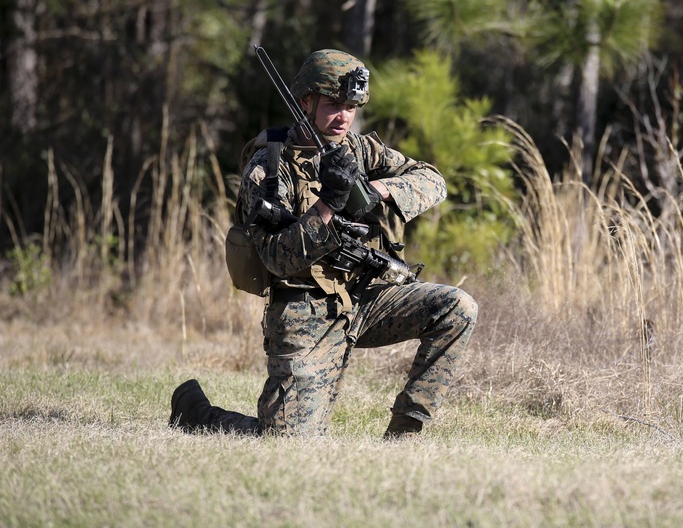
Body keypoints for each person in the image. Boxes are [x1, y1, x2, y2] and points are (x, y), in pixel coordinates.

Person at [168, 49, 478, 439]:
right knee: (286, 441)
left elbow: (433, 180)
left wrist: (380, 189)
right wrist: (329, 203)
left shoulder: (360, 150)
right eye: (333, 104)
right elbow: (278, 260)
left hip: (367, 298)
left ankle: (406, 432)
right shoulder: (268, 169)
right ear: (305, 102)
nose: (343, 116)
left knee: (458, 307)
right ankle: (196, 414)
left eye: (351, 106)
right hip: (304, 310)